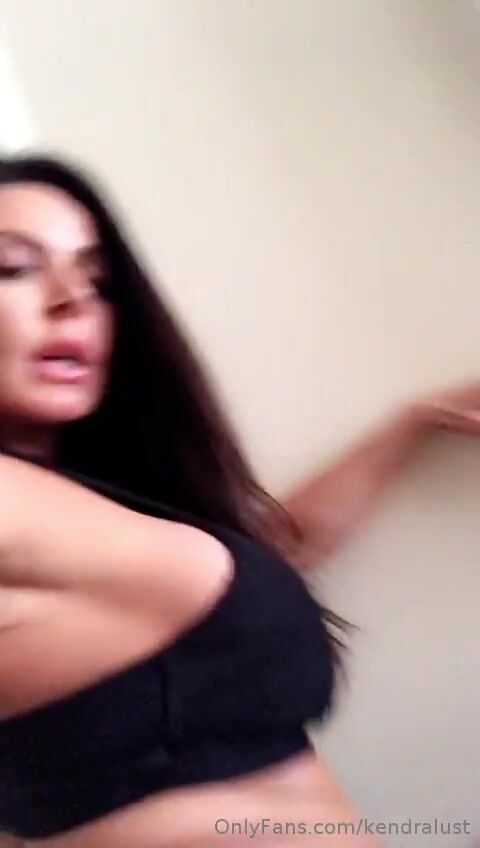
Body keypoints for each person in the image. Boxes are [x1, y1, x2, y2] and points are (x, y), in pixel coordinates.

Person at [0, 155, 479, 848]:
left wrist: (411, 422)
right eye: (12, 268)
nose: (73, 297)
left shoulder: (107, 507)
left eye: (98, 279)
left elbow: (280, 545)